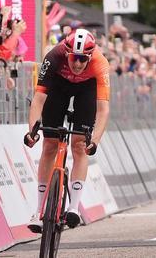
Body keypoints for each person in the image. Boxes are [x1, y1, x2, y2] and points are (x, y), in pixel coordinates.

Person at [25, 29, 111, 232]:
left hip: (86, 89)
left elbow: (103, 109)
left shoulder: (100, 63)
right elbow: (38, 99)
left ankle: (73, 208)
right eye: (74, 58)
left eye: (83, 59)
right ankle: (39, 211)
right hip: (59, 86)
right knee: (49, 145)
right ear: (67, 54)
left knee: (80, 146)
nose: (78, 64)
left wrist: (95, 141)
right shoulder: (54, 56)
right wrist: (32, 131)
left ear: (90, 56)